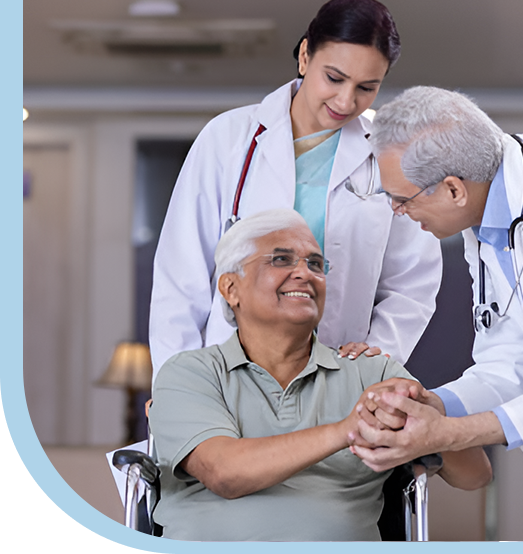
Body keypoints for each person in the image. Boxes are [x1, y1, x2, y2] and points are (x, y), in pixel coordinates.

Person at [348, 86, 523, 504]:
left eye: (401, 200)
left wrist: (449, 434)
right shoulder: (490, 220)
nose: (396, 212)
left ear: (454, 189)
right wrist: (434, 405)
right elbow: (513, 360)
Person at [149, 209, 491, 541]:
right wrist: (348, 430)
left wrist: (431, 414)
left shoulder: (371, 373)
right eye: (281, 259)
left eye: (315, 264)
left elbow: (475, 476)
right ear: (230, 288)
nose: (305, 273)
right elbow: (224, 473)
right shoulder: (189, 374)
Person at [149, 0, 442, 377]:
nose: (345, 100)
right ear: (305, 56)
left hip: (338, 374)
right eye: (334, 78)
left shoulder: (387, 158)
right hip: (228, 374)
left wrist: (378, 351)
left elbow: (412, 281)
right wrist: (175, 385)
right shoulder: (229, 138)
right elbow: (181, 274)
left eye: (366, 87)